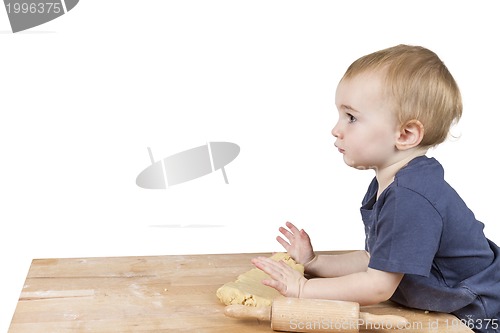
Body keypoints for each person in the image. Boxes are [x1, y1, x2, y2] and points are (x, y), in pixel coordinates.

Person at [252, 44, 500, 333]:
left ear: (405, 134)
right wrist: (315, 262)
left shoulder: (410, 196)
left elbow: (378, 286)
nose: (336, 129)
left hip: (479, 316)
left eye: (352, 117)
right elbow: (375, 261)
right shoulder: (393, 182)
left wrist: (303, 289)